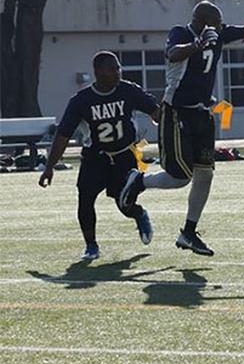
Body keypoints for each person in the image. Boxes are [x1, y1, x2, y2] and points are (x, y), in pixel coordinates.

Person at [118, 0, 244, 256]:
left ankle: (189, 233)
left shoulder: (219, 34)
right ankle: (139, 182)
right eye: (216, 23)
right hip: (177, 111)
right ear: (203, 22)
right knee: (181, 177)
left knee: (205, 174)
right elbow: (172, 53)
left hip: (202, 113)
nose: (220, 27)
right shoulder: (182, 32)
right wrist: (198, 44)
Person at [39, 51, 160, 260]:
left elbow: (156, 112)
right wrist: (50, 166)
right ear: (98, 72)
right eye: (112, 69)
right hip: (95, 156)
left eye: (118, 68)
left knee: (124, 203)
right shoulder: (81, 100)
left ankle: (139, 214)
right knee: (85, 199)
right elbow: (63, 134)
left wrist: (170, 119)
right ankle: (91, 245)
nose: (117, 73)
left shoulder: (128, 91)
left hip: (124, 155)